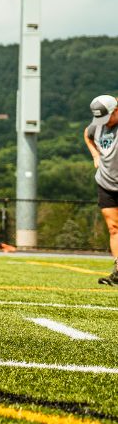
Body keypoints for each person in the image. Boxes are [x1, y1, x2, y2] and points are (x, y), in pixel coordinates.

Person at [85, 94, 118, 286]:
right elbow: (87, 134)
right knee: (114, 228)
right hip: (106, 184)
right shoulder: (97, 125)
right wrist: (95, 155)